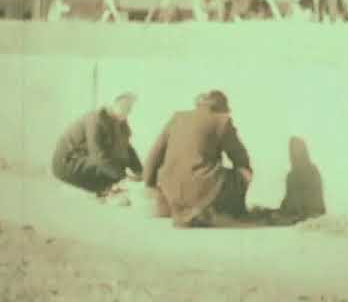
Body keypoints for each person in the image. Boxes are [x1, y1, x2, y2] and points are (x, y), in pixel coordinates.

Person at [143, 90, 253, 228]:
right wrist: (246, 173)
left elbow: (154, 155)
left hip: (170, 189)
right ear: (222, 108)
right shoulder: (221, 120)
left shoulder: (177, 118)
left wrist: (149, 184)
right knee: (242, 174)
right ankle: (227, 212)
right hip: (201, 187)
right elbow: (240, 157)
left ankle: (176, 208)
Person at [52, 93, 143, 195]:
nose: (129, 110)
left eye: (130, 107)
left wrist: (140, 171)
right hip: (66, 163)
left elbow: (127, 148)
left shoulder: (120, 121)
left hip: (85, 159)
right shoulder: (95, 119)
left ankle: (106, 188)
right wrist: (123, 178)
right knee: (111, 167)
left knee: (118, 162)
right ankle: (104, 190)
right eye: (125, 106)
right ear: (114, 102)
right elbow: (98, 157)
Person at [279, 137, 326, 220]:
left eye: (297, 149)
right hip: (296, 215)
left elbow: (314, 201)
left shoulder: (311, 171)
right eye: (292, 149)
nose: (294, 152)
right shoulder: (291, 176)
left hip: (310, 215)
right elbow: (289, 198)